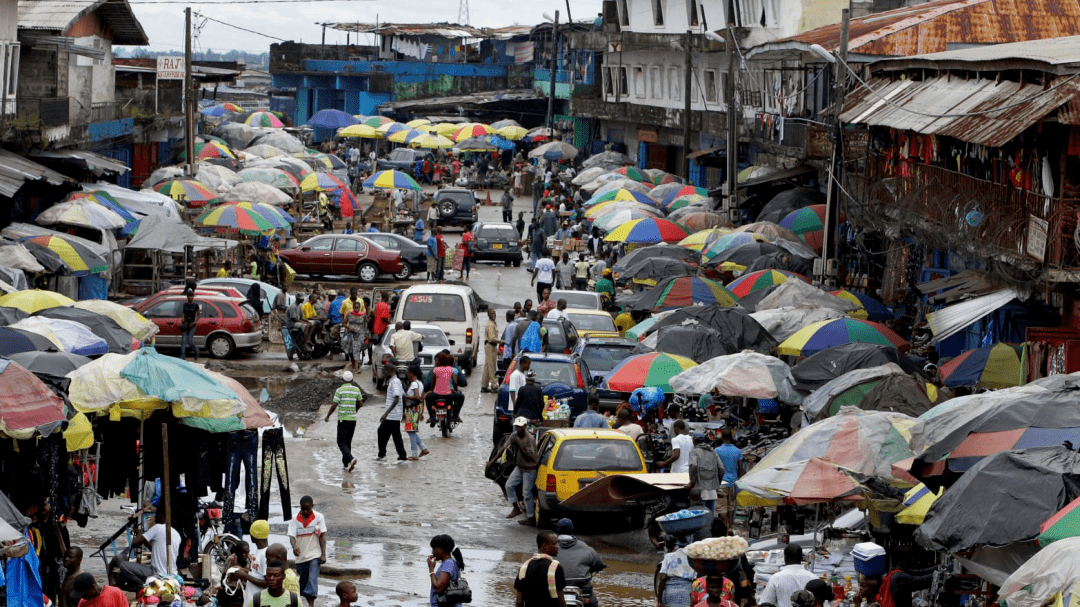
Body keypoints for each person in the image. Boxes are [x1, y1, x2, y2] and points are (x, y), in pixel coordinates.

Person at [554, 519, 605, 605]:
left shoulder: (550, 547)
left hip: (554, 588)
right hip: (581, 588)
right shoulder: (586, 548)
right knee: (592, 602)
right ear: (573, 529)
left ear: (557, 530)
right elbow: (598, 565)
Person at [288, 497, 327, 607]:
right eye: (303, 509)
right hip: (301, 556)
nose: (305, 512)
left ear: (312, 506)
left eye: (308, 509)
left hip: (315, 554)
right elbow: (291, 536)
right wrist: (294, 546)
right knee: (303, 581)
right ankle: (297, 600)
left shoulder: (318, 517)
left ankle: (311, 604)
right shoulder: (294, 519)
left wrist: (323, 554)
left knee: (312, 578)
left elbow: (322, 536)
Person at [516, 531, 567, 607]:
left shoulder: (524, 567)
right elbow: (561, 601)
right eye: (555, 543)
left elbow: (519, 602)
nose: (557, 546)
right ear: (544, 546)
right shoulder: (555, 567)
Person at [325, 371, 363, 471]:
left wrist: (328, 415)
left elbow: (334, 405)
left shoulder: (340, 390)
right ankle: (346, 464)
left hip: (343, 419)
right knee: (348, 442)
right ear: (352, 380)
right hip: (353, 420)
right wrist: (355, 409)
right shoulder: (356, 389)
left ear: (343, 380)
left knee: (341, 442)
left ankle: (351, 458)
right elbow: (361, 403)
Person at [505, 417, 539, 523]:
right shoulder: (514, 435)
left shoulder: (529, 439)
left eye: (521, 426)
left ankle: (530, 517)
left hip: (529, 469)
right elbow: (506, 447)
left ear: (525, 426)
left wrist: (520, 446)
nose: (519, 428)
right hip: (519, 467)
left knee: (526, 493)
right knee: (509, 485)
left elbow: (532, 457)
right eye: (517, 426)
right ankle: (516, 508)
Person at [131, 510, 180, 577]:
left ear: (161, 517)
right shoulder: (176, 534)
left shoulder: (157, 527)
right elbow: (154, 549)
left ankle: (139, 585)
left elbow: (135, 543)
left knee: (124, 566)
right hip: (172, 572)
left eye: (156, 516)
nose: (155, 518)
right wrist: (144, 538)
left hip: (157, 572)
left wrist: (140, 533)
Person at [714, 429, 745, 528]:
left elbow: (715, 467)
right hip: (733, 483)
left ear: (722, 438)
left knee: (722, 507)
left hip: (721, 482)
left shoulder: (717, 450)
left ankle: (724, 528)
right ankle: (730, 527)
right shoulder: (738, 451)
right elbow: (740, 468)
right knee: (731, 506)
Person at [688, 432, 724, 514]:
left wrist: (692, 481)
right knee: (710, 516)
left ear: (694, 440)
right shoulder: (713, 452)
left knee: (700, 515)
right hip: (712, 491)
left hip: (700, 490)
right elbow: (721, 469)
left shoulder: (694, 452)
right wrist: (717, 483)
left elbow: (693, 465)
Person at [425, 352, 464, 425]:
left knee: (427, 398)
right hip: (449, 395)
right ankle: (455, 416)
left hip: (436, 394)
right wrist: (456, 390)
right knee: (461, 397)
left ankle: (431, 417)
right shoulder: (451, 369)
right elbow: (455, 382)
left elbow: (433, 383)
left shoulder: (436, 370)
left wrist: (431, 391)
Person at [378, 365, 408, 461]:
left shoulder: (395, 382)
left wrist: (386, 413)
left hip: (392, 415)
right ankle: (384, 454)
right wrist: (402, 412)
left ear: (389, 371)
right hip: (394, 414)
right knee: (387, 433)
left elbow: (397, 397)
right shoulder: (395, 381)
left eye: (384, 371)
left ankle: (399, 455)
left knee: (393, 435)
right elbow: (403, 396)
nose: (383, 374)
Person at [429, 535, 467, 607]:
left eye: (434, 548)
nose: (432, 552)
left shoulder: (448, 564)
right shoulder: (451, 563)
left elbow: (438, 588)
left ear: (441, 548)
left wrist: (431, 569)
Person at [403, 366, 430, 459]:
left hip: (412, 410)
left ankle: (414, 454)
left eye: (407, 372)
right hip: (417, 409)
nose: (406, 374)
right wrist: (422, 412)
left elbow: (417, 397)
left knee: (410, 431)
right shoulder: (420, 383)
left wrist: (406, 396)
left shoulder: (414, 384)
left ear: (411, 373)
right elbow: (422, 399)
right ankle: (423, 448)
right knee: (412, 430)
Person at [482, 309, 502, 392]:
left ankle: (484, 385)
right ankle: (494, 385)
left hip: (491, 346)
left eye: (494, 313)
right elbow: (492, 338)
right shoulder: (490, 325)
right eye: (491, 313)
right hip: (490, 346)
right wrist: (501, 341)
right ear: (488, 315)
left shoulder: (493, 323)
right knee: (492, 367)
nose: (493, 315)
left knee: (487, 366)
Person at [345, 300, 367, 374]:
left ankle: (357, 368)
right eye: (355, 307)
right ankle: (354, 365)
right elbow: (344, 323)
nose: (356, 309)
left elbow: (365, 324)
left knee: (357, 349)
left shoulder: (363, 314)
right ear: (353, 307)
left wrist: (366, 334)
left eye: (358, 307)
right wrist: (349, 327)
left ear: (360, 307)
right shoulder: (349, 314)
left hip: (360, 334)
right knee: (351, 350)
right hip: (351, 333)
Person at [180, 289, 200, 360]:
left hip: (192, 325)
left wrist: (194, 322)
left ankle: (196, 350)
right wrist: (182, 319)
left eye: (192, 296)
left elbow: (198, 315)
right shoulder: (185, 305)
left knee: (190, 341)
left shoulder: (195, 305)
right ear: (187, 297)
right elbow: (183, 313)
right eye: (189, 296)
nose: (190, 297)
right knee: (183, 341)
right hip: (186, 324)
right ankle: (182, 356)